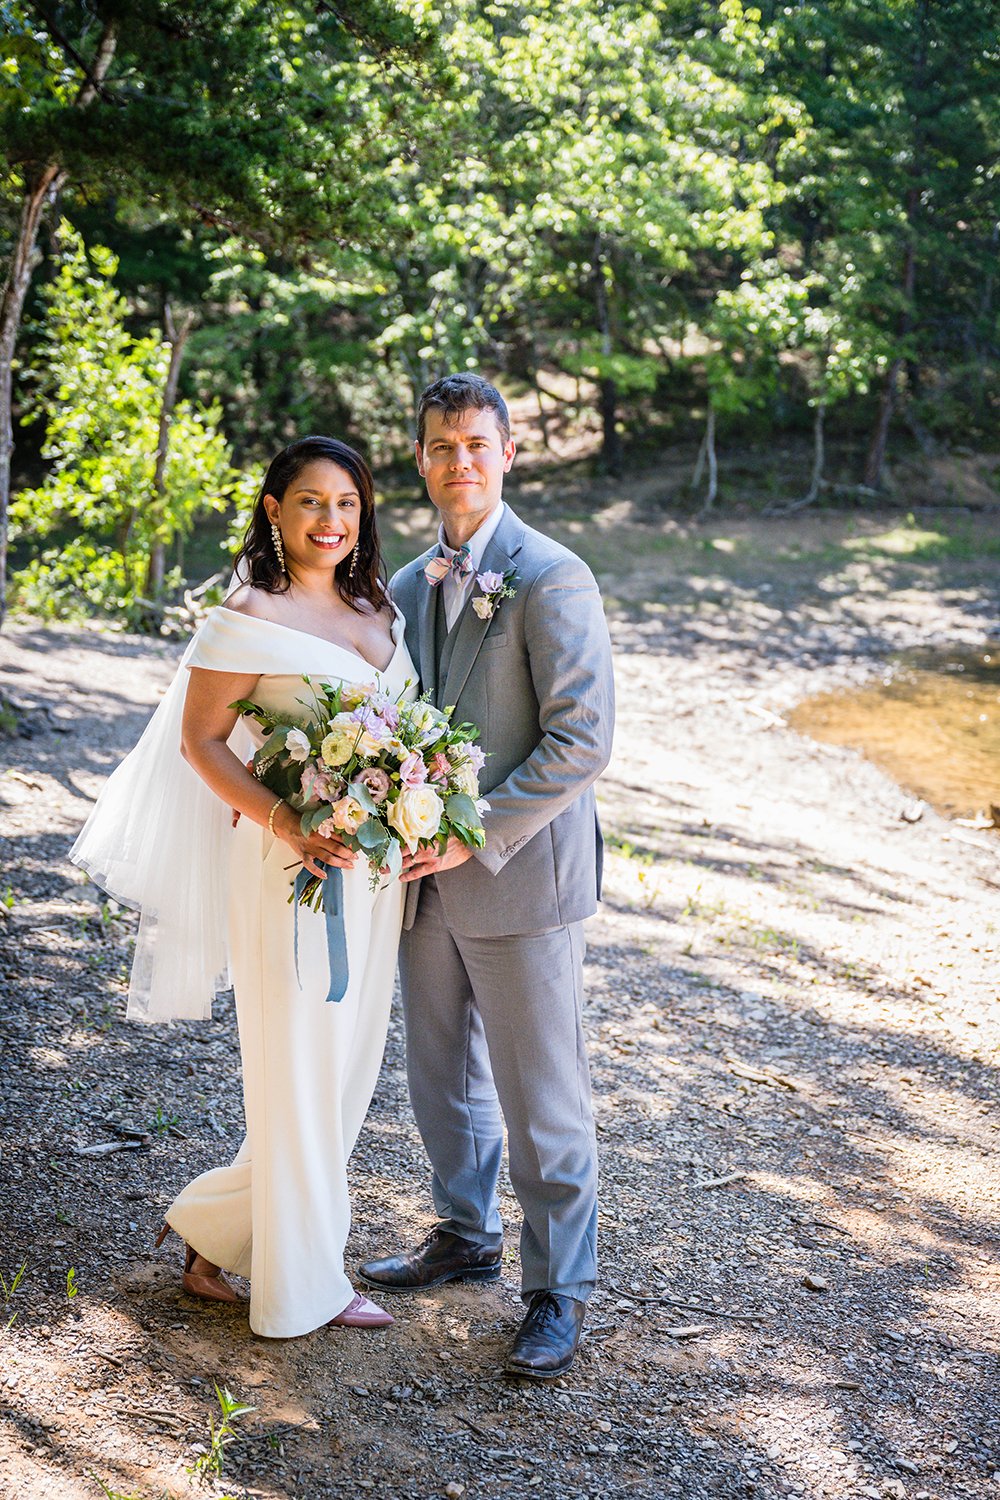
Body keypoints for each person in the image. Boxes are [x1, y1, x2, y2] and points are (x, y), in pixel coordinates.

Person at [71, 436, 415, 1338]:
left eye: (346, 503)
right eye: (309, 502)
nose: (330, 520)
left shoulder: (377, 606)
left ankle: (209, 1236)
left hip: (372, 878)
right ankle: (305, 1282)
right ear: (274, 509)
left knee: (343, 1075)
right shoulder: (247, 613)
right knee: (297, 1070)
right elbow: (202, 742)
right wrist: (289, 822)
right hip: (288, 870)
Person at [360, 374, 615, 1379]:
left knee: (539, 1097)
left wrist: (475, 831)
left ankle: (558, 1290)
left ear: (508, 454)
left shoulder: (552, 576)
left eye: (475, 443)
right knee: (439, 1081)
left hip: (517, 876)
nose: (457, 460)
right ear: (419, 461)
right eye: (438, 445)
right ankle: (464, 1233)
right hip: (423, 879)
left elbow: (580, 740)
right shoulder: (408, 581)